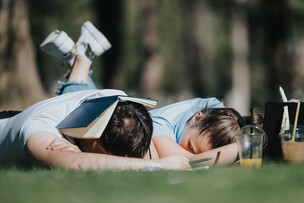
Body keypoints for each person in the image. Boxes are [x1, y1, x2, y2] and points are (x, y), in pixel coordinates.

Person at [41, 22, 264, 167]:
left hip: (103, 111)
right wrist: (242, 148)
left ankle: (78, 58)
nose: (183, 149)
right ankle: (81, 60)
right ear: (197, 117)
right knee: (80, 106)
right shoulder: (161, 125)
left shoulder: (221, 115)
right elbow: (195, 163)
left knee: (89, 97)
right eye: (188, 145)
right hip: (96, 122)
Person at [0, 21, 189, 171]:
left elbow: (149, 149)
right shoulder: (39, 131)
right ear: (97, 145)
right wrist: (157, 166)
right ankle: (80, 58)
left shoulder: (116, 99)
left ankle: (79, 59)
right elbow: (73, 164)